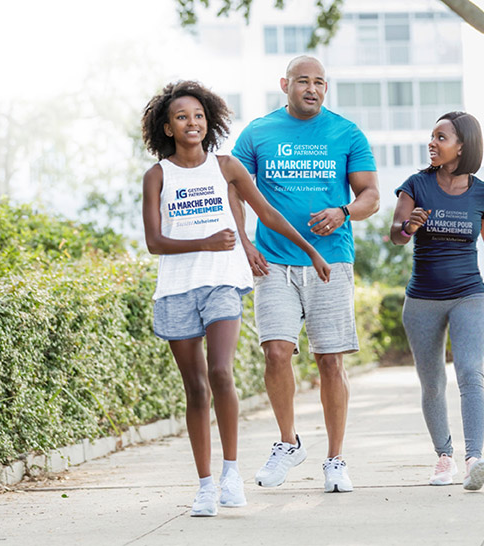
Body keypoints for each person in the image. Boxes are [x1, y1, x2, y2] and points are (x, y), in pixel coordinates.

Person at [140, 80, 330, 517]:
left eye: (199, 116)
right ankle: (205, 483)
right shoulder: (158, 176)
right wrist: (205, 241)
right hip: (175, 290)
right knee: (195, 389)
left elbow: (268, 213)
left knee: (221, 372)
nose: (192, 123)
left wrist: (312, 250)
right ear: (167, 128)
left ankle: (230, 473)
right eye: (182, 117)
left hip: (222, 283)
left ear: (209, 121)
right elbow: (154, 241)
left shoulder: (225, 167)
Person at [231, 55, 380, 493]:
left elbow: (371, 195)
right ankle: (287, 443)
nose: (311, 88)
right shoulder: (258, 132)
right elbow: (234, 187)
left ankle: (335, 458)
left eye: (319, 82)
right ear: (285, 84)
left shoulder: (346, 133)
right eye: (302, 81)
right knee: (276, 352)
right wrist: (245, 241)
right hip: (273, 260)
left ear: (326, 88)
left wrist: (344, 211)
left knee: (330, 361)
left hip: (330, 261)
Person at [389, 111, 484, 490]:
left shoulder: (483, 193)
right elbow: (396, 234)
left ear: (462, 146)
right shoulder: (415, 185)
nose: (432, 143)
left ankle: (474, 460)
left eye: (441, 137)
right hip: (422, 300)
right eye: (432, 137)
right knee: (432, 382)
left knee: (470, 374)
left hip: (469, 294)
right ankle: (444, 457)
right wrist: (409, 227)